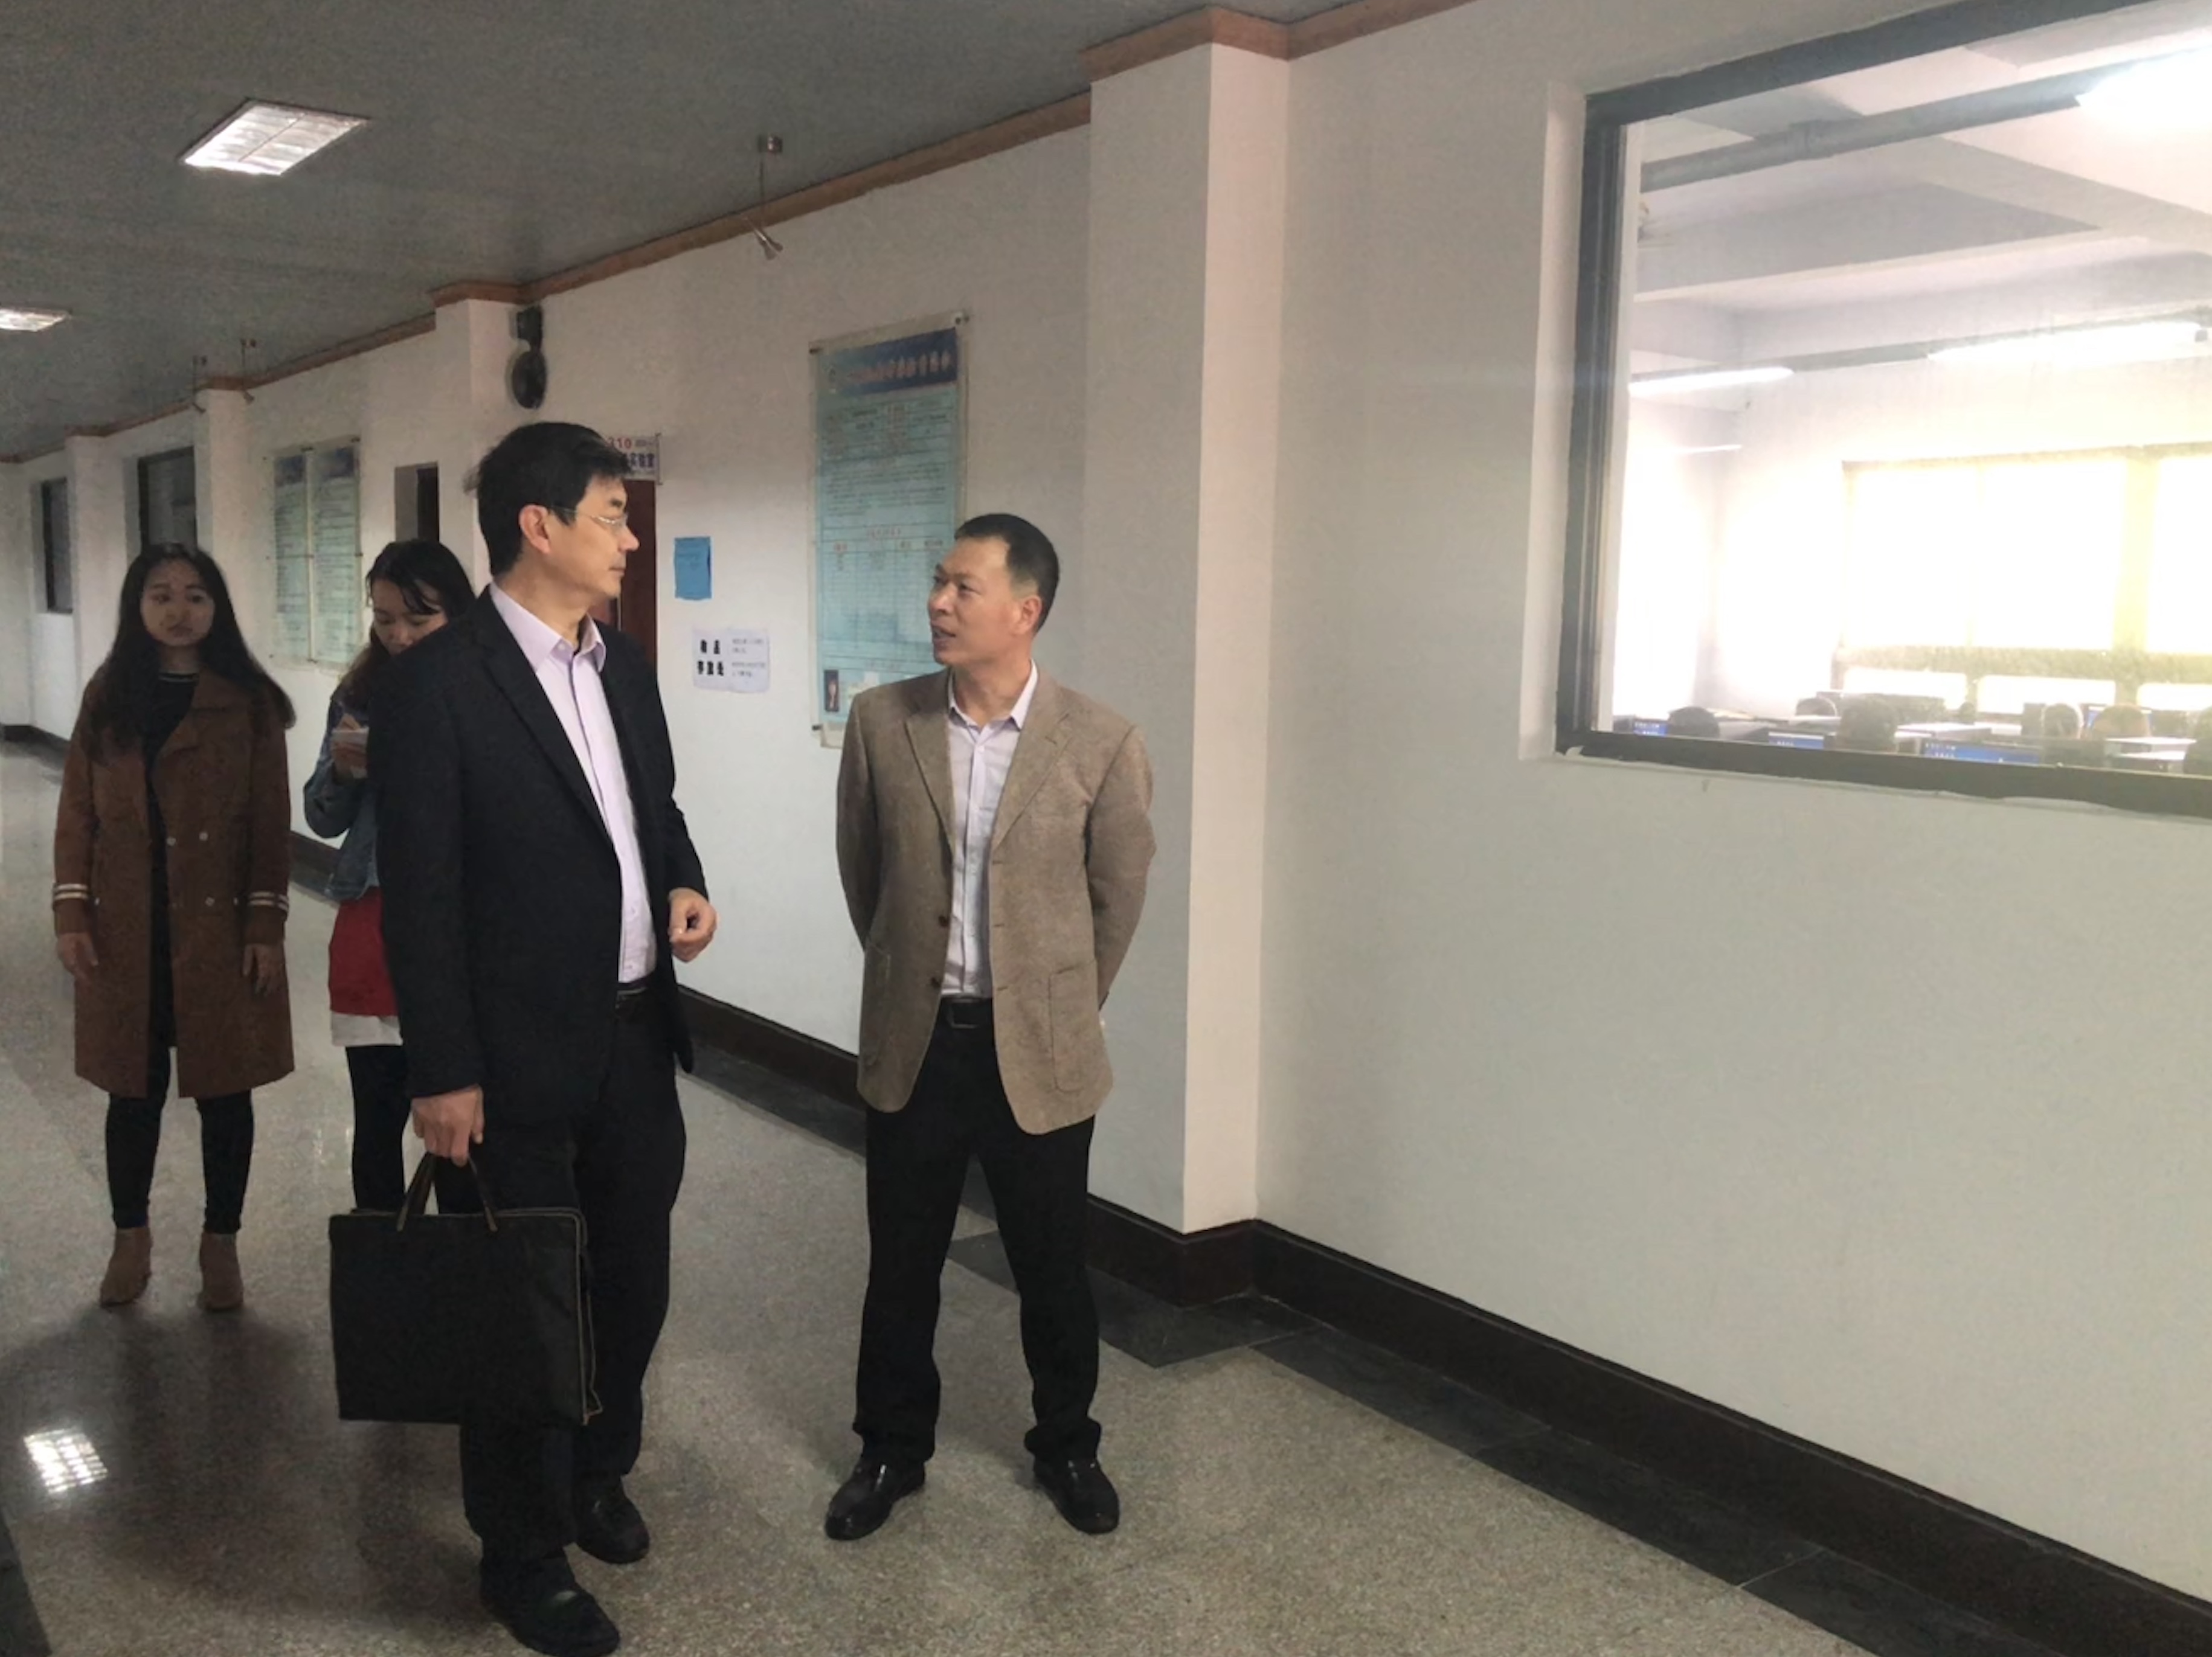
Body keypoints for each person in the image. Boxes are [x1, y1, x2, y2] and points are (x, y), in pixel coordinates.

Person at [373, 422, 716, 1657]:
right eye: (613, 514)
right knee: (525, 1309)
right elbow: (421, 896)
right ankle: (519, 1550)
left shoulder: (621, 665)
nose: (631, 538)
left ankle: (596, 1470)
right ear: (540, 525)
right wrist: (443, 1072)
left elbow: (651, 805)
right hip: (510, 1059)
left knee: (632, 1278)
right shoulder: (437, 684)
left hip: (633, 1036)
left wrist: (683, 878)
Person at [828, 513, 1155, 1542]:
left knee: (1052, 1264)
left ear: (1025, 609)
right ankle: (890, 1447)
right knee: (901, 1262)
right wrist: (910, 980)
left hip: (1039, 1050)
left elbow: (1116, 896)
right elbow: (864, 874)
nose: (938, 602)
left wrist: (1058, 1004)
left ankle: (1067, 1445)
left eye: (962, 587)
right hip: (918, 1040)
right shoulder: (882, 722)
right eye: (938, 582)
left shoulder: (1099, 740)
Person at [51, 545, 296, 1312]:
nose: (179, 610)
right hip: (129, 921)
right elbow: (78, 810)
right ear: (138, 607)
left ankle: (221, 1240)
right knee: (132, 1089)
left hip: (216, 924)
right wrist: (72, 909)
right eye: (160, 594)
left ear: (217, 607)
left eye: (195, 595)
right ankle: (131, 1237)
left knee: (226, 1088)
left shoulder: (248, 700)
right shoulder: (109, 694)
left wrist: (264, 923)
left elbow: (270, 820)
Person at [303, 539, 475, 1211]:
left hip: (462, 927)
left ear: (457, 613)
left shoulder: (486, 694)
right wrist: (347, 771)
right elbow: (320, 816)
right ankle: (382, 1257)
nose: (399, 636)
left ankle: (463, 1258)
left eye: (418, 619)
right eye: (383, 619)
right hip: (373, 919)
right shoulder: (359, 695)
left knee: (462, 1131)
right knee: (376, 1116)